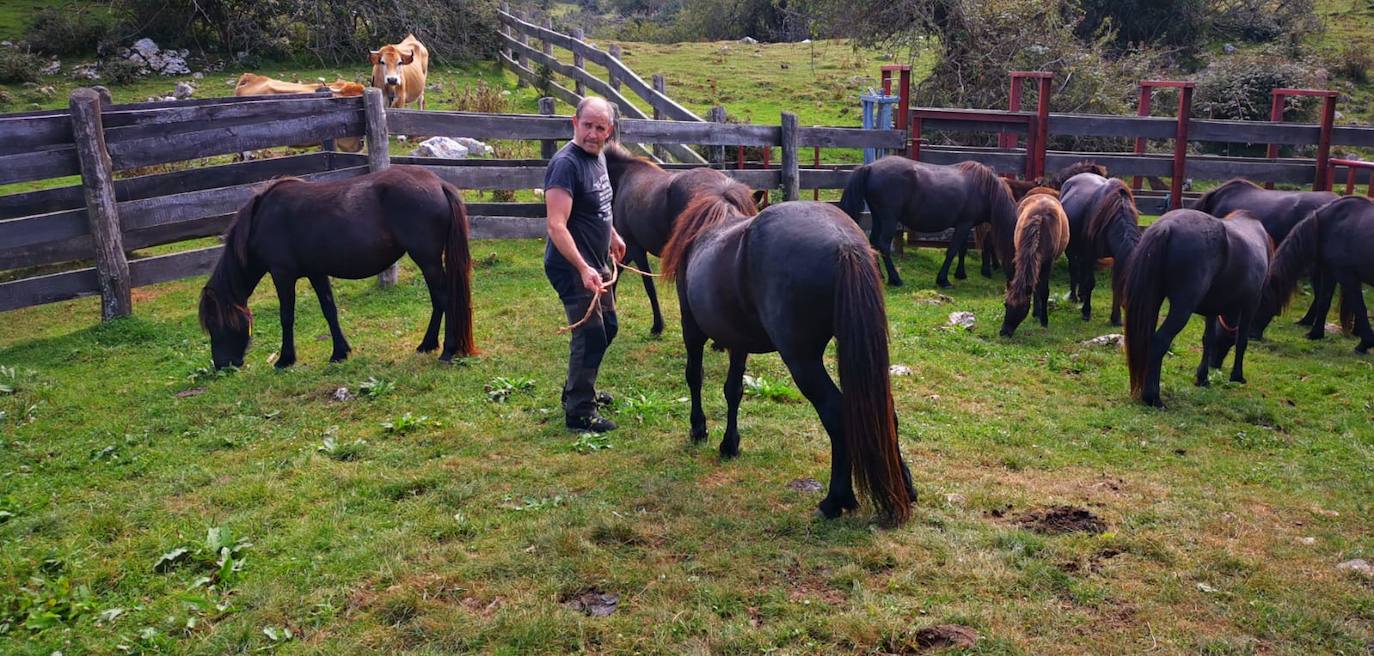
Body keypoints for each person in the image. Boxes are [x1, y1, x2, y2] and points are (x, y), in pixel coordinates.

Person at [544, 96, 626, 433]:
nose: (592, 134)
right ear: (574, 123)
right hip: (572, 265)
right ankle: (578, 411)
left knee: (609, 328)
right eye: (587, 126)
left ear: (610, 131)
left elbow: (598, 206)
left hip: (597, 263)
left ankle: (579, 388)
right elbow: (556, 225)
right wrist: (582, 267)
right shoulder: (566, 164)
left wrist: (613, 236)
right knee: (590, 334)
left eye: (600, 128)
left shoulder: (599, 158)